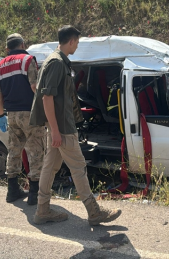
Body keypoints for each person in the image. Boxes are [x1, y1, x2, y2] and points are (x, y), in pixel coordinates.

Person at [29, 25, 121, 225]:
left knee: (50, 167)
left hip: (58, 125)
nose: (77, 46)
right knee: (78, 167)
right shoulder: (56, 63)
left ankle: (42, 210)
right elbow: (46, 97)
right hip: (61, 127)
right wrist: (54, 130)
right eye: (77, 42)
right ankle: (94, 211)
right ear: (70, 41)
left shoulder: (56, 60)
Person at [0, 33, 46, 205]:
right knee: (35, 151)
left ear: (7, 48)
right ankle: (33, 194)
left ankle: (12, 190)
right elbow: (34, 87)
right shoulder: (27, 60)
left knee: (14, 151)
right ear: (23, 44)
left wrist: (1, 115)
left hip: (11, 115)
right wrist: (45, 109)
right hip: (30, 113)